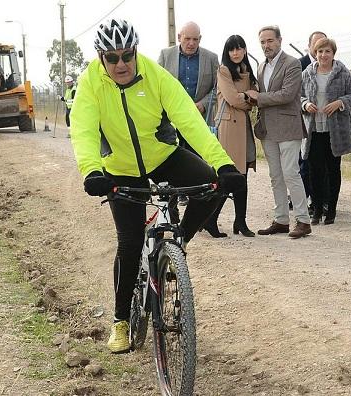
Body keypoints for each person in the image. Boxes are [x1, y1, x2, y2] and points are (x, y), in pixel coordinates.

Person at [70, 18, 245, 353]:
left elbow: (188, 119)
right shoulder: (91, 82)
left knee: (214, 184)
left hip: (161, 155)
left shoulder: (153, 74)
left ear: (135, 52)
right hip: (119, 168)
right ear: (100, 58)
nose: (121, 63)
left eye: (127, 55)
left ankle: (176, 244)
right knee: (130, 243)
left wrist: (222, 162)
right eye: (112, 57)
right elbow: (84, 130)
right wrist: (92, 170)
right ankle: (120, 320)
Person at [246, 25, 311, 238]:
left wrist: (257, 97)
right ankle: (281, 219)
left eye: (270, 41)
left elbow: (286, 94)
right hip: (267, 129)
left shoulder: (292, 64)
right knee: (275, 176)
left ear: (280, 40)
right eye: (263, 42)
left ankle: (303, 220)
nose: (266, 45)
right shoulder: (261, 67)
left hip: (288, 127)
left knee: (291, 173)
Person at [300, 37, 351, 225]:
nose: (323, 55)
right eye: (320, 52)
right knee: (314, 170)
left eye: (327, 51)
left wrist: (339, 103)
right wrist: (305, 104)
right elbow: (298, 96)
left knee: (333, 170)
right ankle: (317, 209)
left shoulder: (342, 72)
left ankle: (331, 210)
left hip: (335, 131)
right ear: (315, 53)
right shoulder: (308, 73)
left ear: (333, 53)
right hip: (313, 130)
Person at [204, 35, 259, 238]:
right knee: (228, 177)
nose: (235, 53)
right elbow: (233, 99)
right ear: (227, 52)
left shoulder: (247, 70)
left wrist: (248, 97)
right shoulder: (223, 70)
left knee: (242, 176)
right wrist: (248, 97)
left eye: (239, 48)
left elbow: (257, 93)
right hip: (229, 126)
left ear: (244, 50)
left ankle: (240, 221)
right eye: (231, 49)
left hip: (242, 127)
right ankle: (210, 219)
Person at [157, 21, 220, 154]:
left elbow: (217, 88)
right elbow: (156, 86)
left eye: (195, 39)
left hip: (199, 121)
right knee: (173, 162)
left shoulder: (211, 58)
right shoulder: (165, 55)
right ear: (179, 37)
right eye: (187, 39)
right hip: (171, 121)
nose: (191, 43)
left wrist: (203, 104)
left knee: (198, 164)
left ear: (200, 39)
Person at [298, 31, 327, 216]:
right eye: (316, 45)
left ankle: (323, 200)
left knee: (324, 164)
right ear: (309, 46)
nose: (320, 49)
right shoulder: (300, 65)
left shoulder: (333, 66)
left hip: (327, 124)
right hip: (305, 122)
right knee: (305, 162)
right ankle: (305, 198)